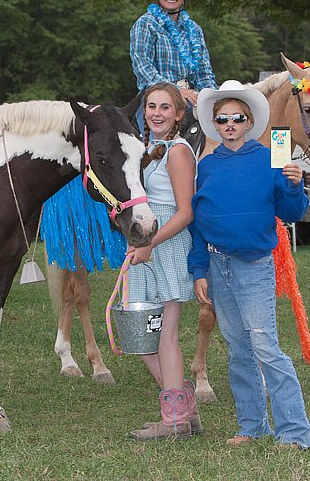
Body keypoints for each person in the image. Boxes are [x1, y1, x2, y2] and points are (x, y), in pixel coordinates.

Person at [188, 80, 310, 449]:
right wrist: (199, 270)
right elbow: (197, 224)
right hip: (216, 265)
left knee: (265, 347)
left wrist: (294, 185)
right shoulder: (206, 167)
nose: (230, 124)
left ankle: (295, 432)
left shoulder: (271, 159)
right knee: (238, 348)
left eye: (237, 118)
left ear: (248, 122)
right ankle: (252, 425)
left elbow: (291, 211)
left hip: (254, 266)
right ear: (215, 124)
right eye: (222, 118)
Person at [126, 83, 200, 441]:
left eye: (165, 107)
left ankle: (174, 420)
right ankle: (183, 408)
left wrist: (149, 243)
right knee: (138, 335)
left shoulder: (178, 152)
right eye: (151, 106)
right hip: (146, 245)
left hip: (166, 245)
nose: (156, 113)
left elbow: (185, 212)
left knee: (164, 335)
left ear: (179, 114)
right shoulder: (147, 150)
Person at [130, 0, 217, 133]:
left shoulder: (195, 30)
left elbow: (203, 71)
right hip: (157, 99)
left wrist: (212, 97)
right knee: (150, 149)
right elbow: (143, 68)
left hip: (191, 98)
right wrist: (176, 91)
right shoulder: (146, 24)